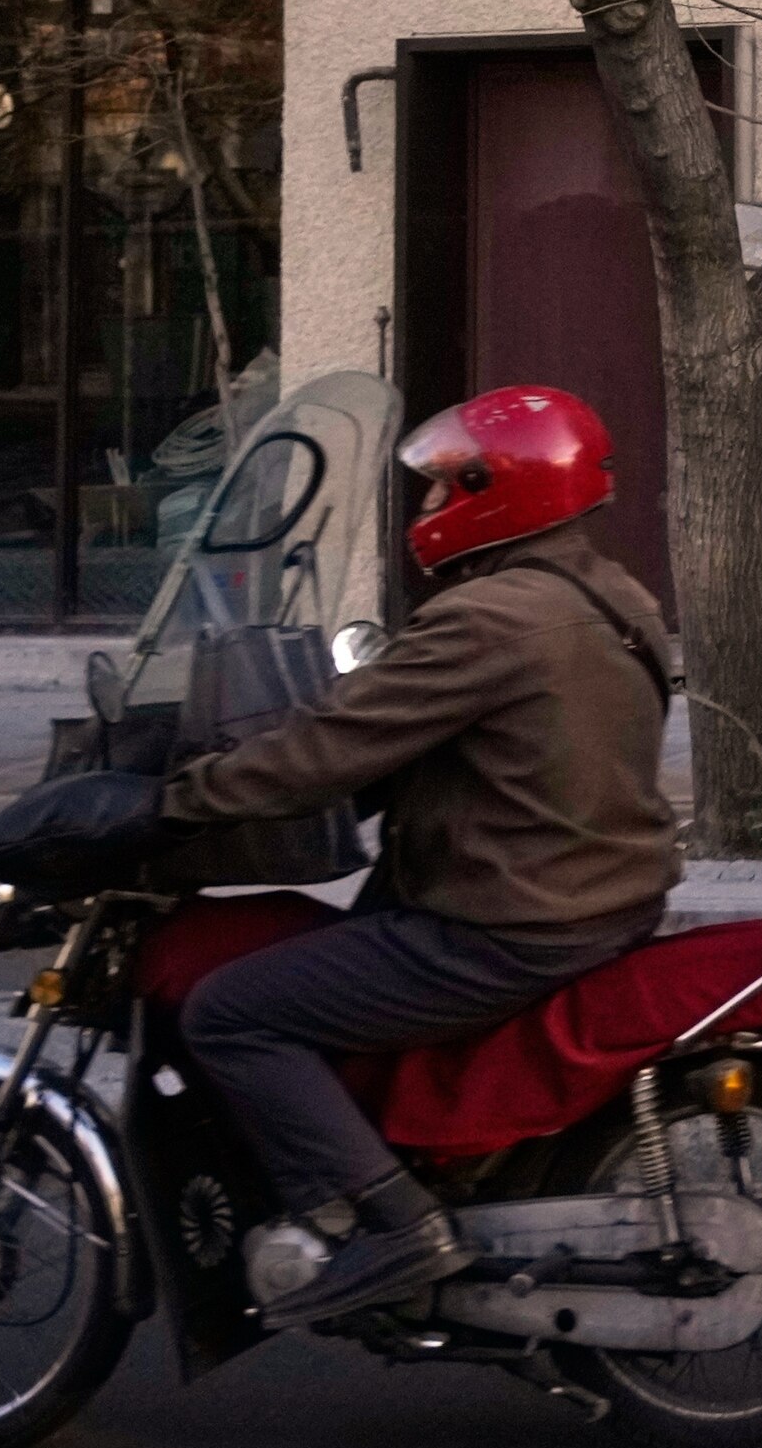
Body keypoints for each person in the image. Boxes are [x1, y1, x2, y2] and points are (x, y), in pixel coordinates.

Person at [161, 383, 682, 1326]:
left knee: (231, 1010)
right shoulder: (612, 593)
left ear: (505, 489)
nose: (431, 513)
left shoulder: (485, 618)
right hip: (596, 896)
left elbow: (325, 746)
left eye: (446, 491)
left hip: (502, 924)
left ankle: (398, 1226)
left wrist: (177, 800)